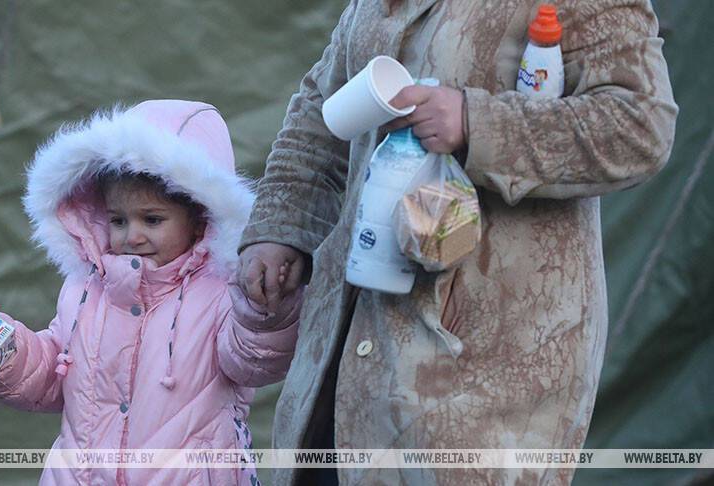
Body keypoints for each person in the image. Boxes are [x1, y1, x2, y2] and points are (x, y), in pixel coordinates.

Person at [237, 0, 677, 484]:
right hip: (338, 372)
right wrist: (280, 226)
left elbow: (640, 125)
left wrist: (475, 122)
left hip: (479, 386)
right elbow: (322, 109)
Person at [0, 100, 302, 485]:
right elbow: (56, 378)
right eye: (118, 220)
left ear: (200, 217)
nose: (132, 236)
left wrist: (264, 309)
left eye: (152, 219)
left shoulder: (222, 292)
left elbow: (254, 361)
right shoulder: (86, 289)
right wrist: (7, 357)